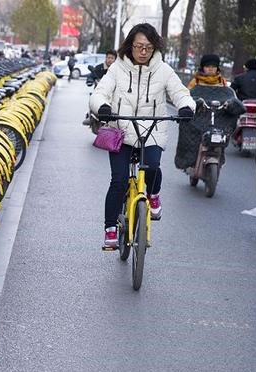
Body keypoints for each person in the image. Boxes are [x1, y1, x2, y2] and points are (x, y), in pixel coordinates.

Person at [89, 23, 195, 248]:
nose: (143, 51)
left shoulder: (163, 70)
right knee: (118, 181)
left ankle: (153, 195)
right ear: (130, 46)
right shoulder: (117, 68)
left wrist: (186, 107)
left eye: (147, 47)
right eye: (138, 46)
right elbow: (100, 92)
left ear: (154, 47)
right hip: (122, 130)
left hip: (153, 129)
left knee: (153, 168)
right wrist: (103, 107)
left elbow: (180, 92)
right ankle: (110, 229)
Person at [83, 49, 117, 126]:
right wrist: (90, 80)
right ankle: (89, 116)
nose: (110, 60)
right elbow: (91, 75)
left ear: (115, 59)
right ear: (106, 58)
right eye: (108, 57)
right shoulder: (99, 68)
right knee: (92, 97)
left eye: (112, 58)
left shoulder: (117, 70)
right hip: (99, 91)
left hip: (112, 93)